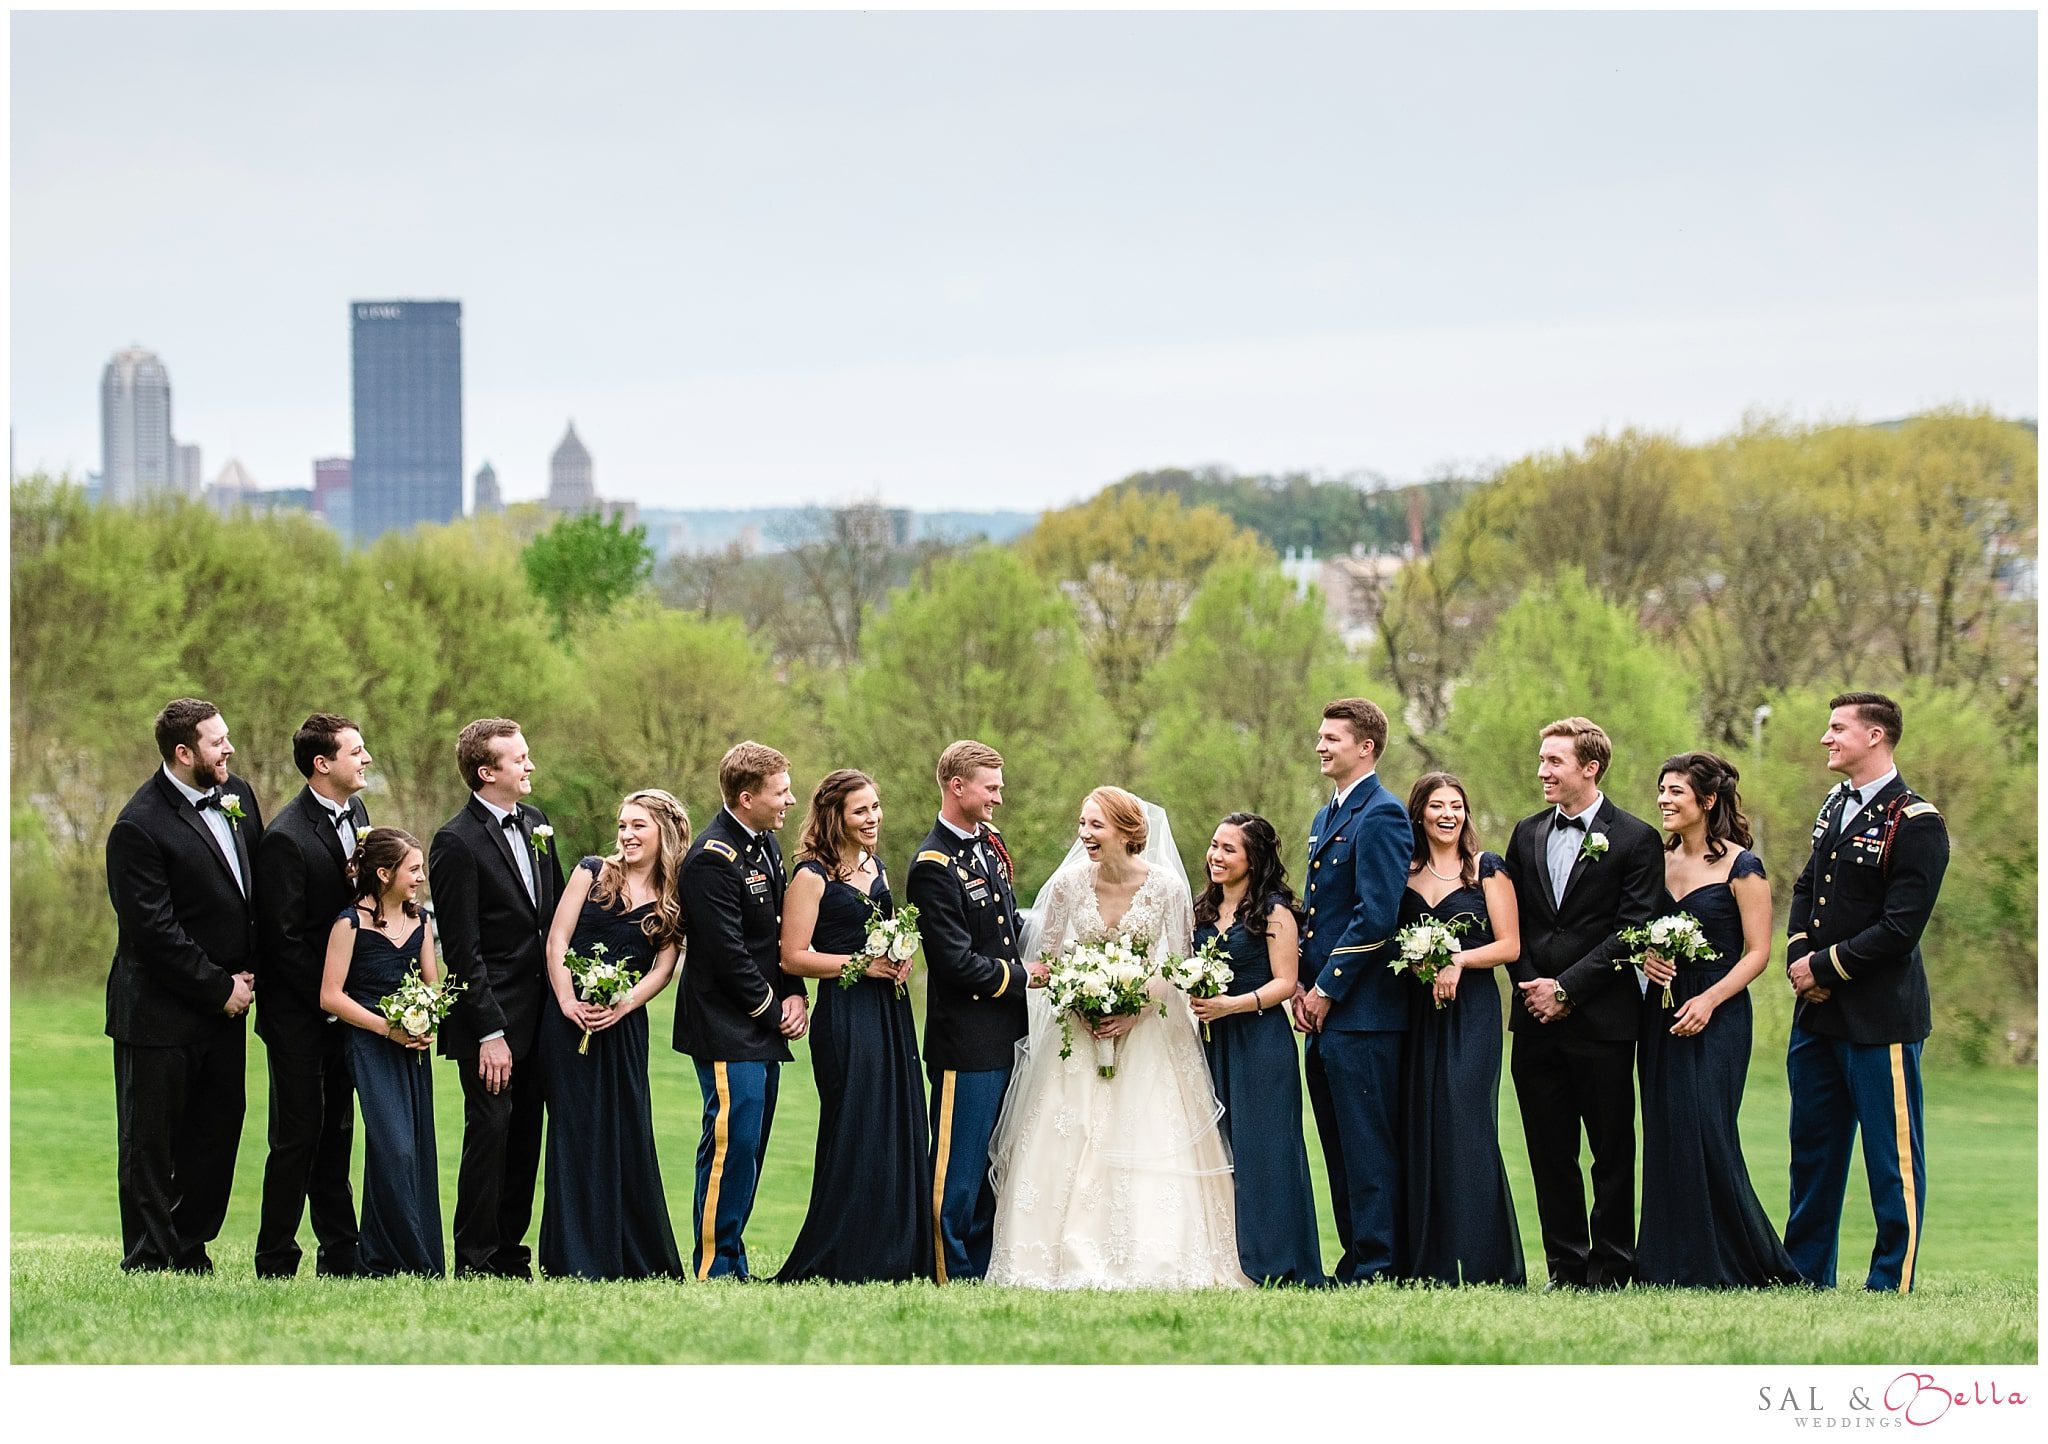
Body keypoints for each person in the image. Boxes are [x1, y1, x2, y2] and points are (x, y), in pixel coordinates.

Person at [986, 786, 1247, 1290]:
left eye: (1096, 826)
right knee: (1070, 1136)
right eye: (1082, 825)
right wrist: (1080, 1000)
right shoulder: (1066, 886)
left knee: (1147, 1138)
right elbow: (1050, 958)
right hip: (1078, 1038)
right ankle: (1052, 1256)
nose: (1084, 835)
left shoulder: (1167, 887)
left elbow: (1179, 964)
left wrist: (1136, 1008)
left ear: (1128, 833)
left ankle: (1152, 1258)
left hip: (1149, 1035)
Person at [1783, 692, 1949, 1293]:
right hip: (1817, 1018)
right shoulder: (1834, 807)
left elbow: (1901, 929)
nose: (1826, 739)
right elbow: (1806, 889)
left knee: (1891, 1160)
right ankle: (1804, 1275)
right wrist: (1799, 957)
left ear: (1875, 736)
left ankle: (1890, 1280)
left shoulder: (1917, 821)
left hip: (1881, 1021)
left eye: (1837, 729)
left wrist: (1824, 969)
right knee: (1813, 1155)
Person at [1502, 716, 1663, 1291]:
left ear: (1589, 768)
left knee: (1612, 1153)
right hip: (1534, 1019)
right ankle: (1566, 1268)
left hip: (1604, 1022)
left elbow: (1633, 929)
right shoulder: (1525, 832)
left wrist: (1566, 989)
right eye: (1542, 759)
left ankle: (1613, 1268)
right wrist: (1532, 988)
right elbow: (1511, 922)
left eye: (1554, 761)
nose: (1542, 770)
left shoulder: (1637, 838)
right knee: (1549, 1153)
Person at [105, 698, 263, 1273]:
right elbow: (153, 931)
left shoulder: (239, 795)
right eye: (218, 742)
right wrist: (218, 987)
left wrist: (250, 977)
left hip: (228, 1008)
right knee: (151, 1140)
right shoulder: (138, 825)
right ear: (183, 752)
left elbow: (252, 895)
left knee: (217, 1132)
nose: (229, 749)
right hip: (158, 1012)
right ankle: (150, 1256)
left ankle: (190, 1245)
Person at [1636, 753, 1798, 1288]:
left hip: (1719, 1014)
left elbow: (1757, 953)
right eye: (1661, 790)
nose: (1663, 800)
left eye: (1675, 792)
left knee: (1708, 1129)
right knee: (1666, 1130)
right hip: (1660, 1012)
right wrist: (1647, 958)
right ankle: (1667, 1264)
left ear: (1706, 801)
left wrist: (1709, 1001)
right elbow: (1634, 930)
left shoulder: (1741, 866)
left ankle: (1741, 1262)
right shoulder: (1654, 861)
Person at [775, 769, 934, 1283]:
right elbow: (792, 957)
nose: (874, 818)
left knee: (897, 1122)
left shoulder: (877, 867)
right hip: (844, 1015)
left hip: (890, 1010)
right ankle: (843, 1253)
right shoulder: (810, 876)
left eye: (877, 807)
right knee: (857, 1126)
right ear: (834, 816)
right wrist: (861, 965)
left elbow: (886, 933)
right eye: (861, 810)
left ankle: (894, 1252)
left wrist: (901, 955)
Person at [429, 717, 565, 1279]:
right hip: (491, 1024)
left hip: (543, 1018)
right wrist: (490, 1032)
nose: (529, 765)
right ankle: (476, 1258)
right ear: (487, 773)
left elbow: (555, 918)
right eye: (519, 759)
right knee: (491, 1135)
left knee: (527, 1137)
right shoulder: (455, 842)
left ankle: (512, 1253)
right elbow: (463, 950)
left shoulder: (537, 823)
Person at [537, 789, 689, 1281]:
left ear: (663, 831)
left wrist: (623, 1005)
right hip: (568, 1021)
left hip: (623, 1029)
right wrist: (566, 1001)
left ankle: (632, 1255)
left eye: (638, 825)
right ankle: (574, 1257)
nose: (626, 835)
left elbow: (664, 968)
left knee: (627, 1133)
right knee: (575, 1134)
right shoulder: (592, 871)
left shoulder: (674, 895)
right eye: (622, 825)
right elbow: (557, 939)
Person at [907, 740, 1044, 1284]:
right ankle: (948, 1270)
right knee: (957, 1170)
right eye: (991, 788)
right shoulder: (932, 865)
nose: (999, 799)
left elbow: (1007, 927)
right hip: (965, 1041)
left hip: (1008, 1033)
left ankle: (982, 1269)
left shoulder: (990, 845)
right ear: (956, 786)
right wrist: (1025, 978)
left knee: (992, 1166)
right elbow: (955, 964)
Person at [1295, 697, 1414, 1284]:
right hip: (1325, 1013)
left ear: (1365, 747)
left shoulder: (1383, 814)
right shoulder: (1326, 817)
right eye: (1321, 736)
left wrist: (1325, 989)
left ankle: (1379, 1263)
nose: (1320, 745)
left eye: (1332, 738)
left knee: (1367, 1147)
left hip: (1362, 1014)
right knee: (1338, 1146)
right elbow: (1320, 914)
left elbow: (1376, 917)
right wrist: (1297, 979)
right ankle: (1355, 1258)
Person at [675, 741, 804, 1280]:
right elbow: (728, 953)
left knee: (752, 1144)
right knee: (732, 1144)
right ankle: (714, 1263)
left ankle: (734, 1255)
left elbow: (778, 933)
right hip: (727, 1025)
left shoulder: (764, 844)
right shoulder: (712, 857)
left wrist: (795, 990)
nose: (790, 801)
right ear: (747, 797)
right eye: (781, 792)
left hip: (762, 1022)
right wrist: (775, 1010)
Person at [251, 712, 371, 1279]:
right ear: (322, 765)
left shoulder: (359, 814)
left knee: (339, 1133)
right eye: (356, 751)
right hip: (298, 1013)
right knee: (297, 1136)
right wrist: (334, 994)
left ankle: (341, 1255)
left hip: (342, 1012)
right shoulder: (285, 838)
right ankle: (275, 1258)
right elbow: (283, 942)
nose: (366, 758)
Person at [1396, 773, 1525, 1287]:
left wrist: (1458, 959)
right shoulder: (1403, 872)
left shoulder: (1485, 870)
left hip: (1470, 1012)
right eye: (1436, 805)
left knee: (1465, 1124)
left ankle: (1482, 1261)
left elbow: (1511, 945)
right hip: (1414, 1014)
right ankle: (1426, 1261)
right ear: (1420, 813)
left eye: (1456, 806)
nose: (1447, 814)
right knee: (1419, 1126)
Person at [1190, 812, 1325, 1287]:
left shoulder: (1273, 912)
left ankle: (1278, 1261)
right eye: (1214, 846)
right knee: (1220, 1146)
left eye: (1229, 849)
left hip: (1261, 1040)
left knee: (1266, 1150)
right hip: (1210, 1042)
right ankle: (1229, 1256)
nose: (1216, 856)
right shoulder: (1202, 910)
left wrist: (1233, 1005)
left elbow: (1286, 983)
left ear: (1254, 858)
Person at [318, 828, 444, 1277]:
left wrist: (426, 1019)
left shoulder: (423, 922)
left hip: (411, 1047)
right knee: (395, 1149)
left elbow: (432, 985)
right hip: (369, 1046)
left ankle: (381, 1259)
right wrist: (384, 1028)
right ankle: (409, 1259)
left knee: (416, 1149)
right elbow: (330, 996)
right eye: (414, 870)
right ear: (384, 873)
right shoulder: (349, 923)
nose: (421, 878)